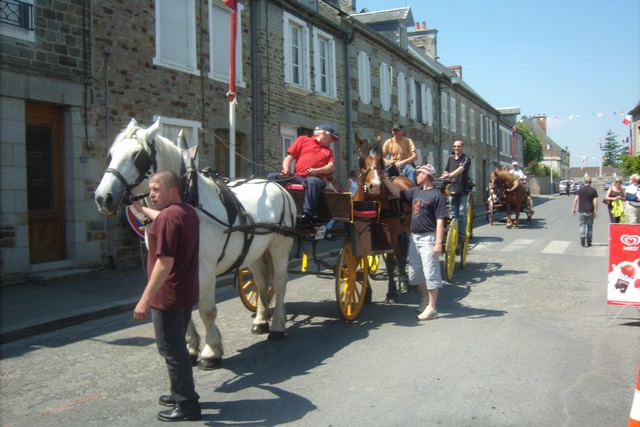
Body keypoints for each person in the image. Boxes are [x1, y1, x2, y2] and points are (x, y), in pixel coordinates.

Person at [131, 170, 202, 422]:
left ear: (172, 191)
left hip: (168, 296)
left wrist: (144, 299)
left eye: (156, 189)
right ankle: (179, 392)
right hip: (184, 293)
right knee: (177, 346)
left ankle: (187, 404)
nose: (151, 193)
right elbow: (162, 217)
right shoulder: (186, 212)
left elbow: (164, 263)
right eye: (150, 189)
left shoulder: (169, 219)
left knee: (172, 350)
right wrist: (140, 209)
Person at [380, 164, 446, 321]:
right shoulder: (416, 191)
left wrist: (438, 242)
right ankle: (424, 298)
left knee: (431, 273)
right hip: (415, 238)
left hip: (429, 238)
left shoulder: (437, 196)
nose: (416, 175)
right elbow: (397, 192)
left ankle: (432, 308)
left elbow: (440, 221)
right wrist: (384, 179)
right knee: (414, 274)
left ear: (427, 176)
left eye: (419, 173)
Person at [268, 124, 337, 227]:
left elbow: (331, 167)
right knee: (273, 177)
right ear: (323, 134)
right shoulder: (303, 140)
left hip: (316, 179)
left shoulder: (329, 151)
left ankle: (307, 215)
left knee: (312, 181)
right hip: (297, 177)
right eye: (331, 137)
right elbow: (289, 158)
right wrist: (286, 169)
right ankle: (272, 208)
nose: (331, 141)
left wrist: (317, 171)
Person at [440, 140, 471, 250]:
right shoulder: (450, 158)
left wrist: (450, 175)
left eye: (459, 146)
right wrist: (444, 176)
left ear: (462, 147)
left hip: (462, 189)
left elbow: (461, 169)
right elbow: (445, 171)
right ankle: (453, 232)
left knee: (462, 213)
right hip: (451, 189)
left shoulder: (466, 159)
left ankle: (461, 235)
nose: (456, 148)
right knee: (453, 213)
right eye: (455, 146)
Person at [571, 175, 598, 247]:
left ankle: (582, 235)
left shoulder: (580, 190)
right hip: (590, 211)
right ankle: (589, 242)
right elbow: (595, 201)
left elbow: (576, 199)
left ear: (584, 181)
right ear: (590, 182)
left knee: (582, 225)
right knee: (590, 227)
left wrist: (573, 208)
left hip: (582, 211)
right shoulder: (593, 190)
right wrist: (596, 210)